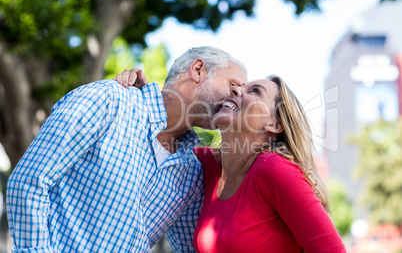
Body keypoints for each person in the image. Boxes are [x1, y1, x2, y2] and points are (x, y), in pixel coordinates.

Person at [6, 46, 247, 252]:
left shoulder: (192, 173)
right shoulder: (108, 100)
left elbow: (194, 248)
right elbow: (29, 181)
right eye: (233, 85)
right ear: (198, 70)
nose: (238, 98)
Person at [117, 73, 346, 252]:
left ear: (274, 125)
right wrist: (145, 98)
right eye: (238, 86)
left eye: (254, 91)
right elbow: (161, 141)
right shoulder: (207, 164)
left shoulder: (275, 170)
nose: (235, 90)